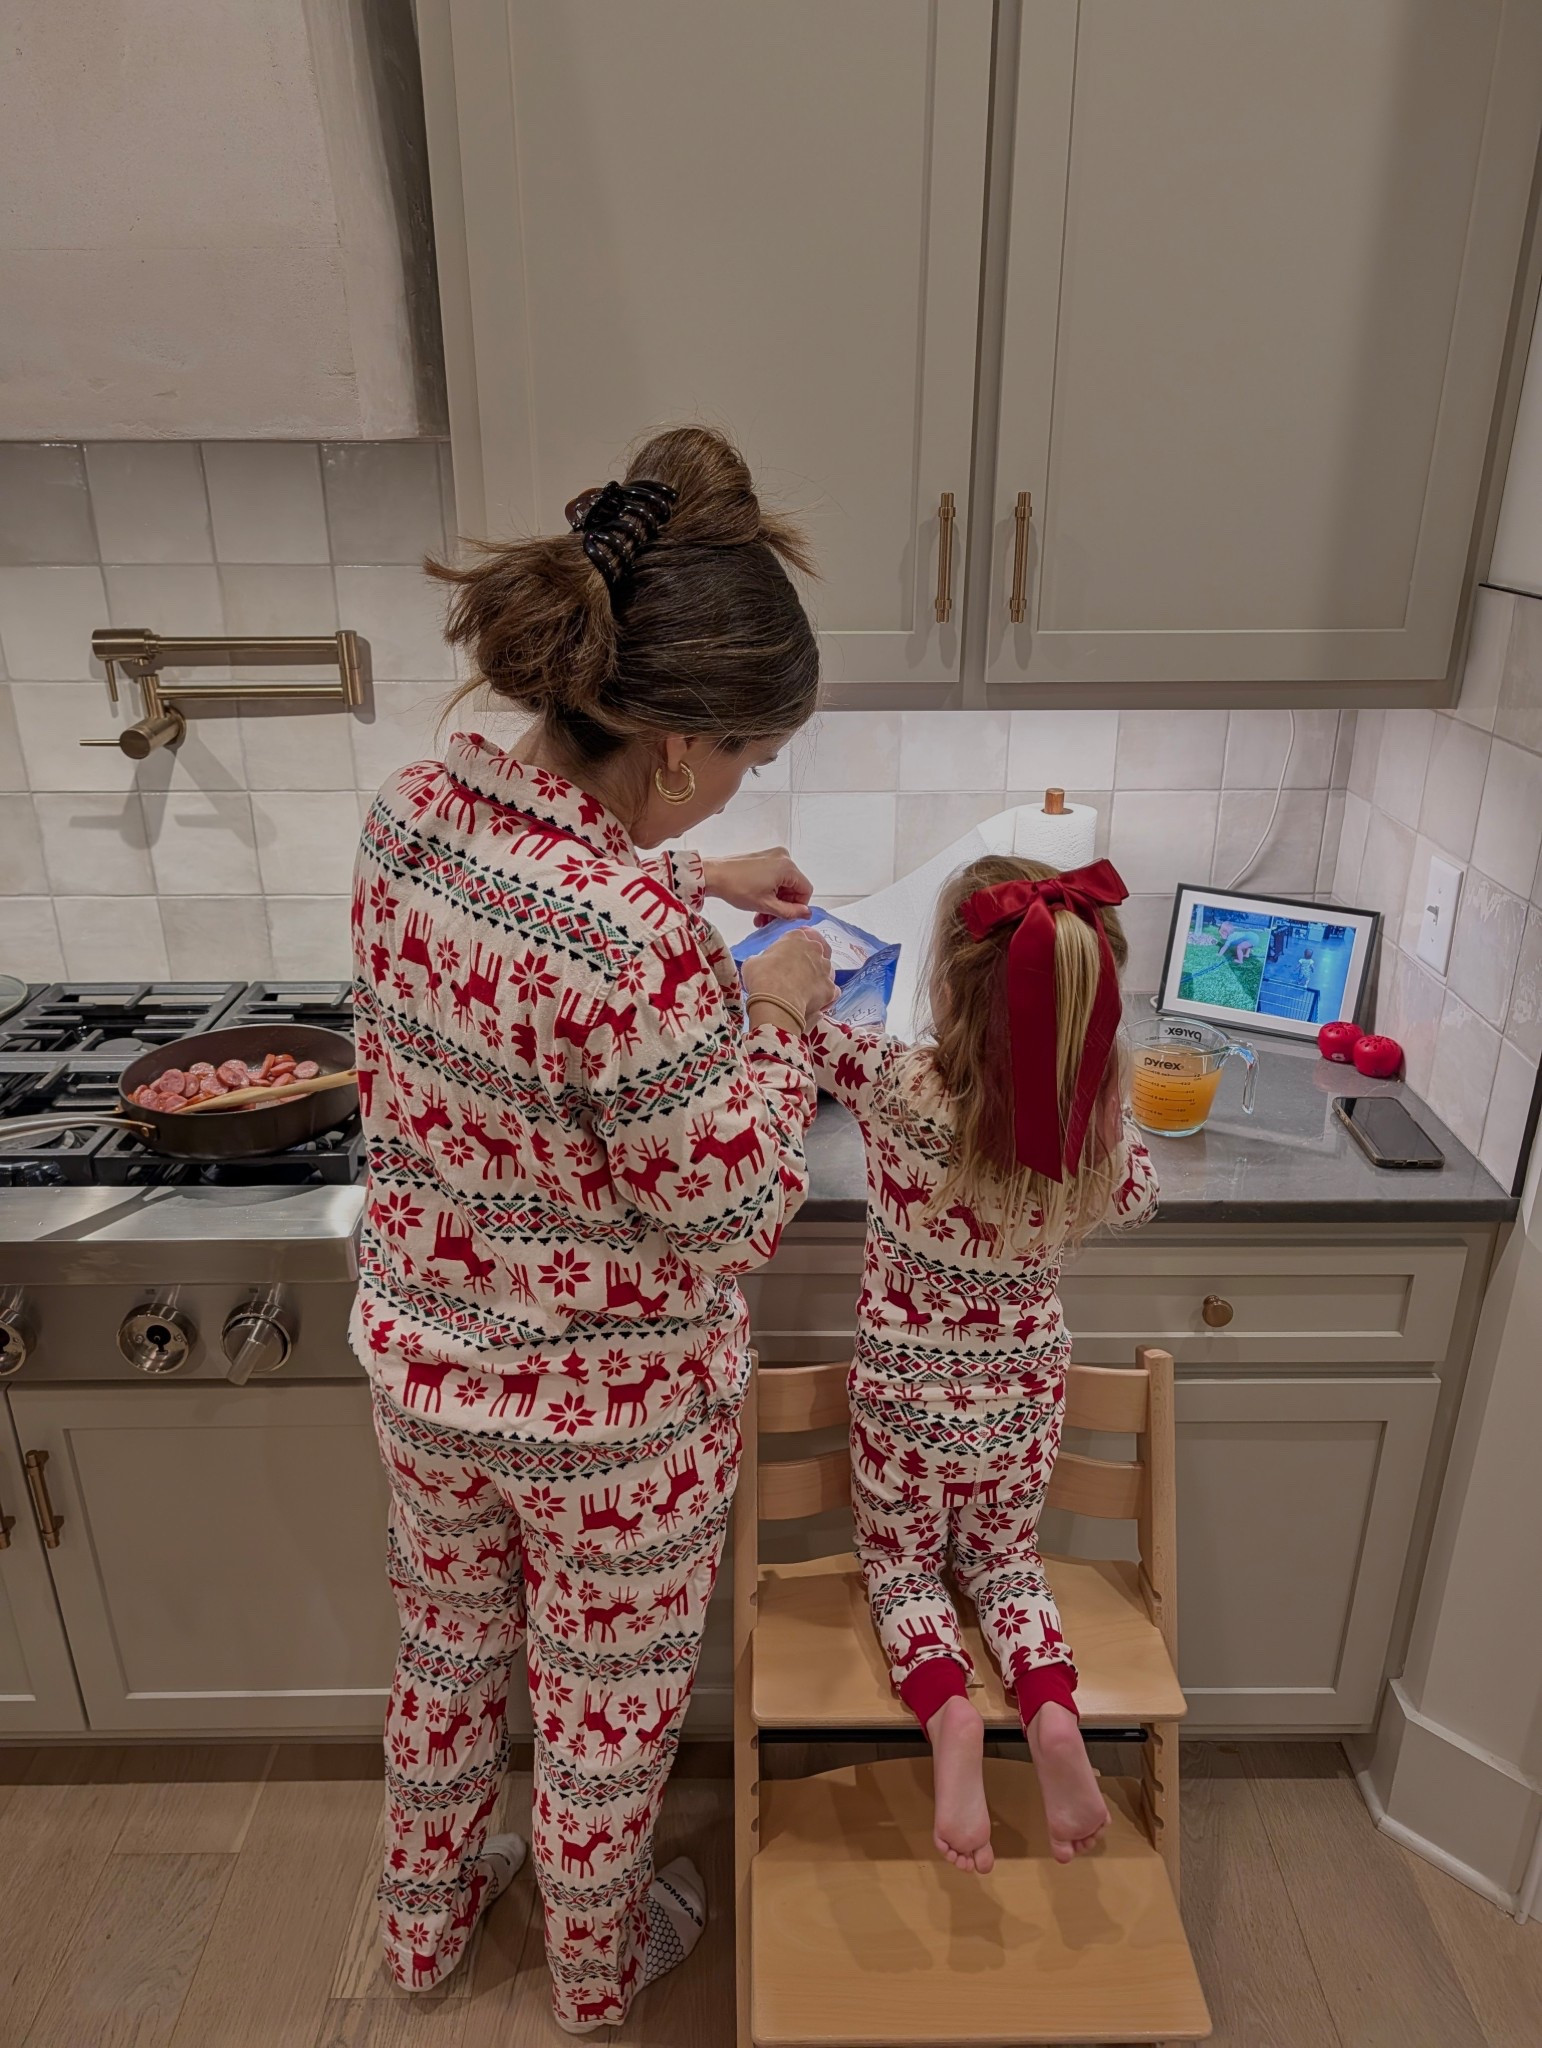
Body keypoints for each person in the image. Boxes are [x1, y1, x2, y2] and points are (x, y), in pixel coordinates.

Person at [349, 426, 836, 2034]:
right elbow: (737, 1205)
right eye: (747, 759)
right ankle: (594, 1967)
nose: (745, 784)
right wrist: (775, 1012)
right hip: (605, 1423)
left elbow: (528, 923)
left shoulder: (412, 813)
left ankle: (420, 1935)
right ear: (682, 749)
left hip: (425, 1374)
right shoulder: (629, 943)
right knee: (601, 1708)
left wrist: (686, 879)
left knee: (446, 1653)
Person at [807, 854, 1158, 1872]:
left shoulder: (895, 1084)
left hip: (903, 1397)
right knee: (1008, 1563)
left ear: (950, 988)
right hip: (1022, 1401)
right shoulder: (1097, 1129)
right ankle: (1050, 1711)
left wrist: (797, 976)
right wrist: (1097, 1086)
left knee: (904, 1566)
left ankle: (949, 1710)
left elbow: (796, 1025)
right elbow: (1135, 1194)